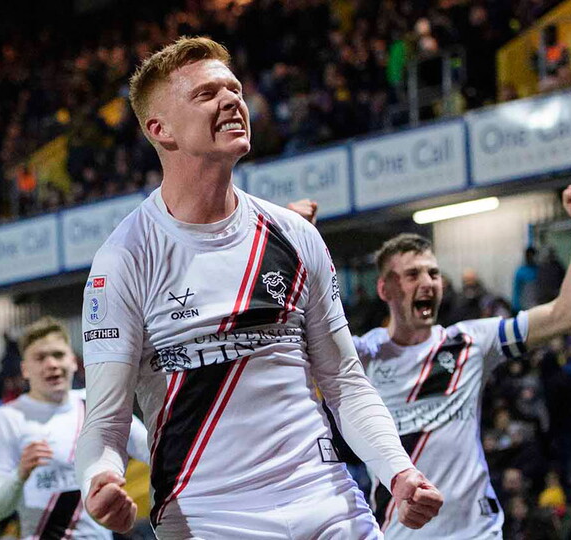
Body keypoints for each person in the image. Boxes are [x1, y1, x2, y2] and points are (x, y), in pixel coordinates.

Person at [74, 37, 442, 538]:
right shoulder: (124, 259)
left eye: (235, 89)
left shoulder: (294, 235)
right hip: (207, 515)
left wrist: (399, 471)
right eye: (206, 94)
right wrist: (100, 478)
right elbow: (106, 418)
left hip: (325, 497)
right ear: (160, 130)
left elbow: (344, 383)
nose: (231, 100)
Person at [351, 184, 571, 538]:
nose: (428, 283)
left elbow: (570, 312)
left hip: (475, 532)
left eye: (433, 273)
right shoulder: (362, 354)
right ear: (384, 290)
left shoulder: (470, 341)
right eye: (413, 275)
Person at [0, 317, 149, 539]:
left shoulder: (95, 404)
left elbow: (154, 451)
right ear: (25, 369)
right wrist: (19, 475)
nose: (51, 364)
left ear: (73, 361)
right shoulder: (5, 419)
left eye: (58, 355)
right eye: (40, 358)